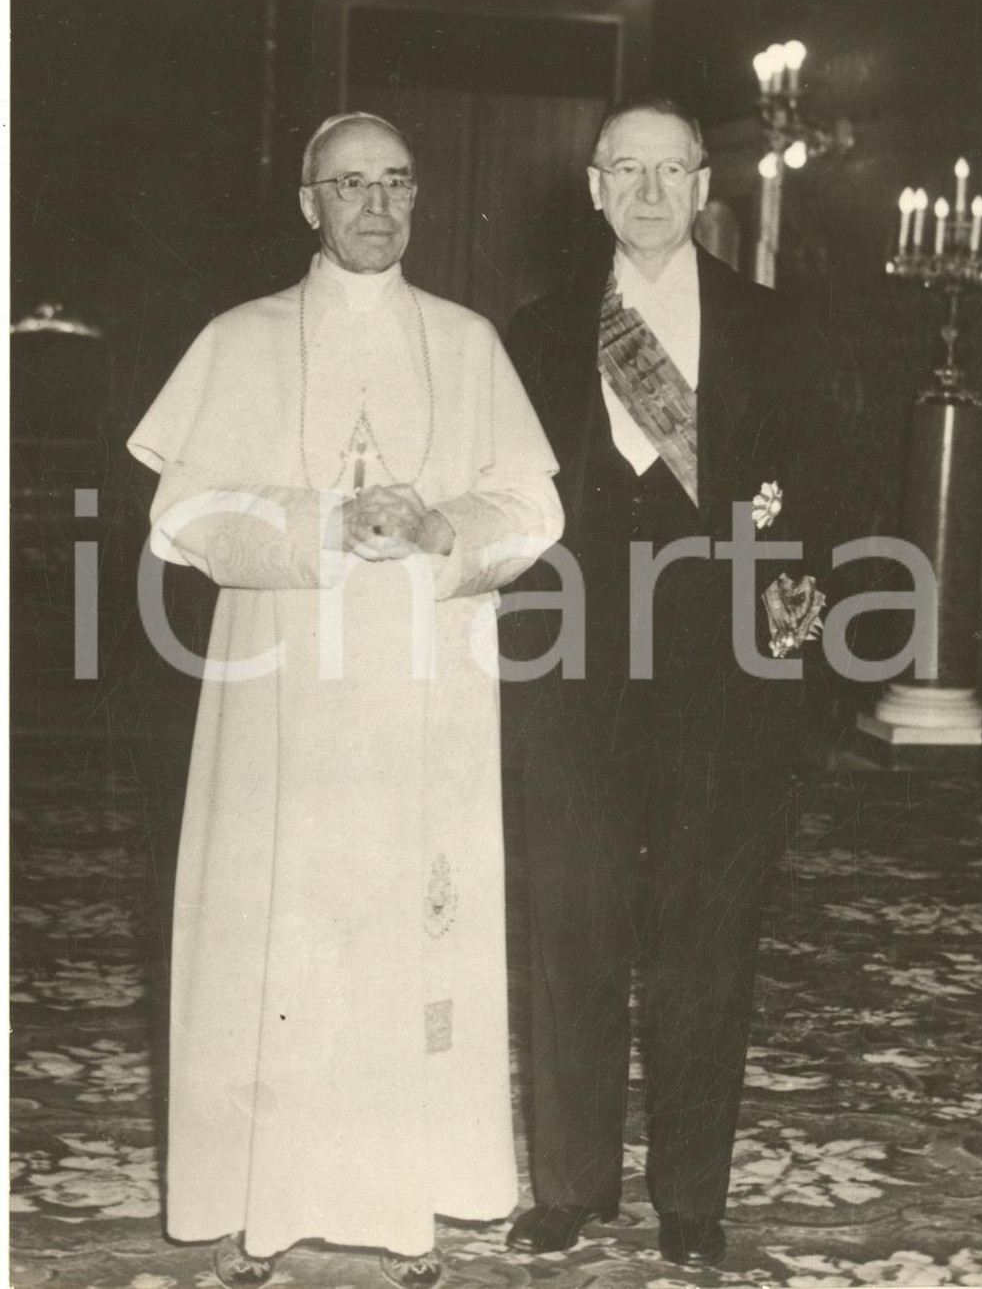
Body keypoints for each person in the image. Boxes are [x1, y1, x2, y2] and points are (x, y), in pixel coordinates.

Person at [127, 112, 563, 1289]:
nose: (376, 205)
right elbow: (180, 516)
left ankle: (407, 1196)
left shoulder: (467, 342)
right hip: (281, 680)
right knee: (282, 930)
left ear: (418, 199)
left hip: (427, 679)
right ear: (307, 203)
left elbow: (533, 506)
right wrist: (320, 522)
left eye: (397, 184)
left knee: (404, 933)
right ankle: (261, 1203)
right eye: (349, 184)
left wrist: (441, 525)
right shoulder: (242, 337)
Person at [501, 96, 835, 1268]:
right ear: (592, 188)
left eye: (670, 172)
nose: (647, 193)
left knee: (707, 933)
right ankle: (572, 1184)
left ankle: (693, 1199)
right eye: (624, 171)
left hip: (724, 670)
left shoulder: (777, 327)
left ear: (704, 189)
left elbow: (833, 491)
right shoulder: (533, 333)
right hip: (570, 658)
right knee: (571, 925)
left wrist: (794, 610)